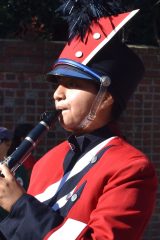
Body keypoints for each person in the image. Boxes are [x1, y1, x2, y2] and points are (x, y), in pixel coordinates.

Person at [0, 3, 158, 240]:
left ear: (105, 98)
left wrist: (20, 205)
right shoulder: (47, 161)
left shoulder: (131, 168)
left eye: (72, 84)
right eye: (57, 84)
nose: (57, 94)